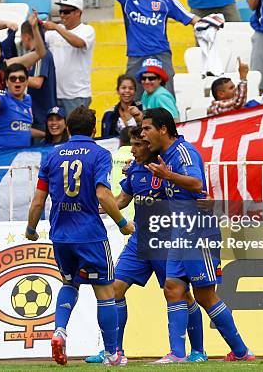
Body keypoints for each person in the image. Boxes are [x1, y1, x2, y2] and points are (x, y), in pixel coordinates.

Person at [86, 126, 208, 364]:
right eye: (132, 144)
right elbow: (122, 200)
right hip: (139, 241)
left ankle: (198, 351)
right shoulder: (134, 171)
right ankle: (114, 351)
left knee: (182, 295)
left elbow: (190, 192)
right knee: (114, 289)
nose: (133, 150)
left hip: (167, 241)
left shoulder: (166, 169)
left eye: (139, 145)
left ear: (150, 145)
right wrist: (97, 208)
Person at [141, 107, 255, 362]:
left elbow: (196, 184)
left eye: (147, 128)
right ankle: (177, 354)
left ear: (162, 129)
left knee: (205, 295)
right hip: (180, 230)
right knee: (172, 288)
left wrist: (167, 175)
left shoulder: (183, 152)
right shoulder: (164, 156)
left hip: (198, 229)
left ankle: (241, 351)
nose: (143, 134)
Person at [24, 105, 135, 366]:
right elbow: (102, 194)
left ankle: (59, 330)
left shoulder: (52, 155)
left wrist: (30, 229)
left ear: (69, 128)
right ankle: (111, 354)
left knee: (68, 283)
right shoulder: (99, 154)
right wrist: (121, 223)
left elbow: (39, 200)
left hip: (60, 235)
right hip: (90, 235)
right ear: (94, 129)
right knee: (105, 292)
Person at [77, 0, 200, 98]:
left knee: (167, 97)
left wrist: (209, 23)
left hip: (160, 54)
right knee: (132, 99)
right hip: (136, 56)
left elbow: (189, 17)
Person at [42, 0, 95, 116]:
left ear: (78, 12)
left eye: (66, 12)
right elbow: (38, 48)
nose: (62, 15)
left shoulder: (87, 30)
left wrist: (57, 28)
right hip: (54, 93)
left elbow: (79, 43)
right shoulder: (54, 31)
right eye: (60, 11)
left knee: (76, 131)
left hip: (77, 95)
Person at [0, 63, 38, 150]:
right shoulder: (2, 97)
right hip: (3, 155)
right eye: (13, 78)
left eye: (21, 78)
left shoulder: (28, 99)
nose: (17, 81)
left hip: (23, 156)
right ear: (6, 82)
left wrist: (44, 134)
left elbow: (24, 129)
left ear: (26, 82)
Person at [21, 20, 57, 132]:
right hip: (40, 116)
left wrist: (15, 78)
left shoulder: (39, 55)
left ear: (26, 37)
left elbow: (37, 82)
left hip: (41, 117)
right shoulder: (39, 54)